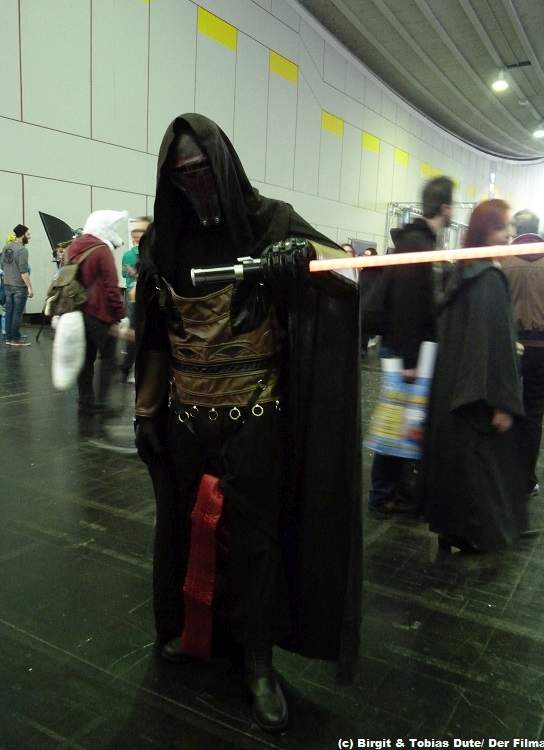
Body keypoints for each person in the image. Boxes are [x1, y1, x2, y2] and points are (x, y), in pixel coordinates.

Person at [134, 114, 361, 732]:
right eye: (182, 176)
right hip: (185, 414)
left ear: (223, 165)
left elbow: (349, 271)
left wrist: (305, 257)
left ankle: (258, 663)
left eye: (202, 171)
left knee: (255, 543)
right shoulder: (164, 240)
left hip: (256, 413)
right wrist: (147, 409)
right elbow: (154, 333)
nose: (195, 186)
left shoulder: (271, 222)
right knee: (184, 533)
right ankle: (195, 634)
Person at [422, 199, 527, 553]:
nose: (509, 234)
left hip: (450, 387)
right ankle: (471, 534)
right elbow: (494, 345)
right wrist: (502, 402)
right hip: (476, 394)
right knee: (476, 469)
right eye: (501, 227)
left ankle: (449, 530)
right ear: (485, 232)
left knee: (453, 466)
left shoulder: (460, 273)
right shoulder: (489, 280)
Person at [362, 176, 453, 515]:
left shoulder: (416, 242)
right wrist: (411, 359)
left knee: (404, 421)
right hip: (407, 350)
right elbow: (408, 305)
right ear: (445, 208)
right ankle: (383, 494)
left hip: (406, 347)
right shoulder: (418, 245)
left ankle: (395, 490)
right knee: (396, 421)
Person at [500, 210, 544, 495]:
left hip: (509, 347)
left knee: (503, 408)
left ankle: (502, 472)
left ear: (516, 230)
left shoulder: (503, 260)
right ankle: (526, 479)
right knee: (534, 414)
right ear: (537, 229)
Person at [66, 210, 126, 415]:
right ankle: (102, 402)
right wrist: (120, 314)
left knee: (85, 359)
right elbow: (111, 286)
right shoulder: (102, 250)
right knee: (109, 358)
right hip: (99, 312)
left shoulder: (73, 247)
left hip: (77, 312)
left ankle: (85, 401)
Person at [121, 217, 151, 382]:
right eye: (135, 232)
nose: (137, 235)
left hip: (140, 295)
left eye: (140, 231)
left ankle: (130, 367)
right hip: (136, 296)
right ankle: (130, 368)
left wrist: (134, 273)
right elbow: (125, 273)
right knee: (136, 331)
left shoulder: (132, 254)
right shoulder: (134, 254)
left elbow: (125, 273)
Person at [1, 224, 33, 347]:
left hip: (7, 284)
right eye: (28, 234)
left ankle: (8, 338)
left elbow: (2, 265)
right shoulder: (22, 250)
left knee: (9, 312)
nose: (29, 237)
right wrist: (30, 287)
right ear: (22, 235)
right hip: (19, 286)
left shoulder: (6, 247)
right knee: (17, 313)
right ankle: (15, 339)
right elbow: (24, 271)